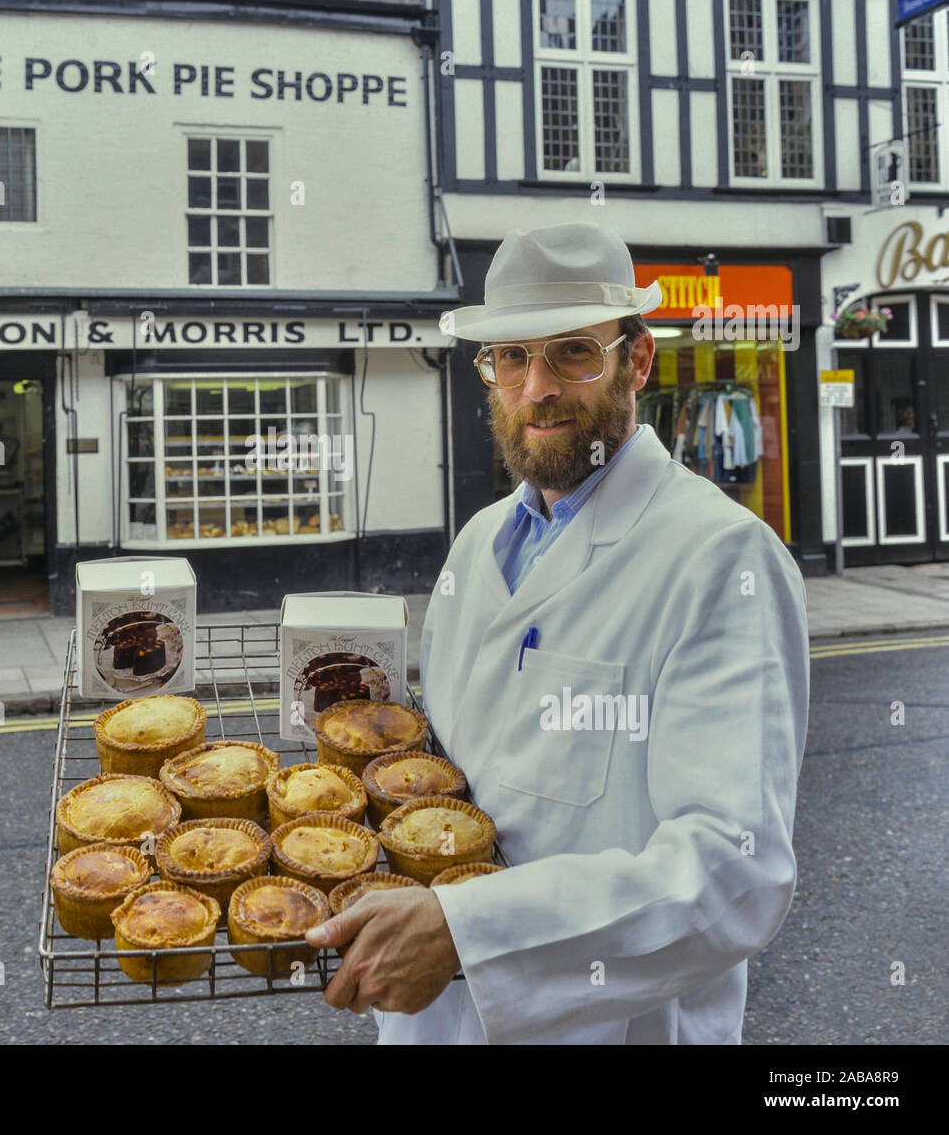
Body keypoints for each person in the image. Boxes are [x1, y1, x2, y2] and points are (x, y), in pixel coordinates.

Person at [305, 221, 810, 1044]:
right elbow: (451, 778)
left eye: (572, 352)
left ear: (635, 361)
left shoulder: (719, 558)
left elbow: (733, 871)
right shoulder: (478, 544)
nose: (536, 386)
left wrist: (470, 931)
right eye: (510, 356)